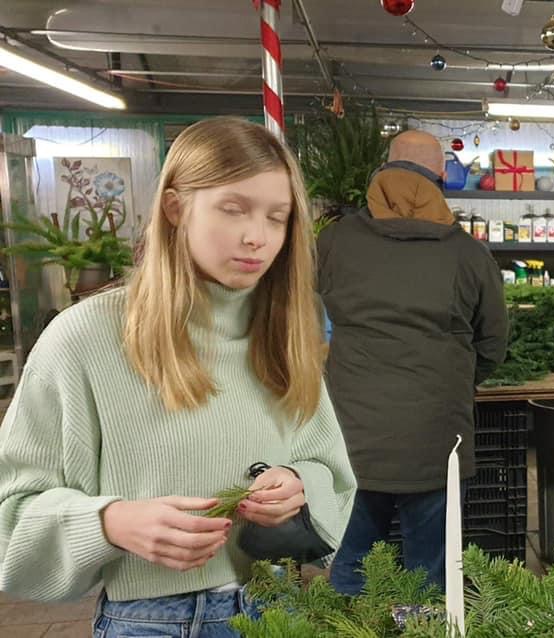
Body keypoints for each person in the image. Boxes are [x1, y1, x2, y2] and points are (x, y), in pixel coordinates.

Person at [0, 117, 357, 635]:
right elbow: (12, 512)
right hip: (152, 621)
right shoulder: (87, 338)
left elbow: (331, 471)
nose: (256, 237)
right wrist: (111, 522)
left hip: (279, 606)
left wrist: (299, 484)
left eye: (276, 218)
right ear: (175, 207)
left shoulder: (284, 335)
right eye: (232, 209)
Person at [320, 130, 508, 595]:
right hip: (437, 441)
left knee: (351, 565)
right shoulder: (468, 253)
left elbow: (299, 325)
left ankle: (348, 623)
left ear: (382, 170)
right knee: (429, 576)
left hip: (350, 440)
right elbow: (492, 343)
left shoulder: (333, 242)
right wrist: (453, 381)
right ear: (442, 175)